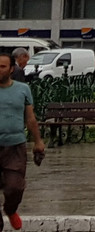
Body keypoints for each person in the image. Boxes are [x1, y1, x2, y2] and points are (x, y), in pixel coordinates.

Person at [0, 51, 45, 230]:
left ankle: (10, 210)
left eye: (2, 67)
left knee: (15, 187)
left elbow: (31, 118)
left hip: (15, 146)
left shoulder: (22, 89)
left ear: (11, 69)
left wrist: (38, 142)